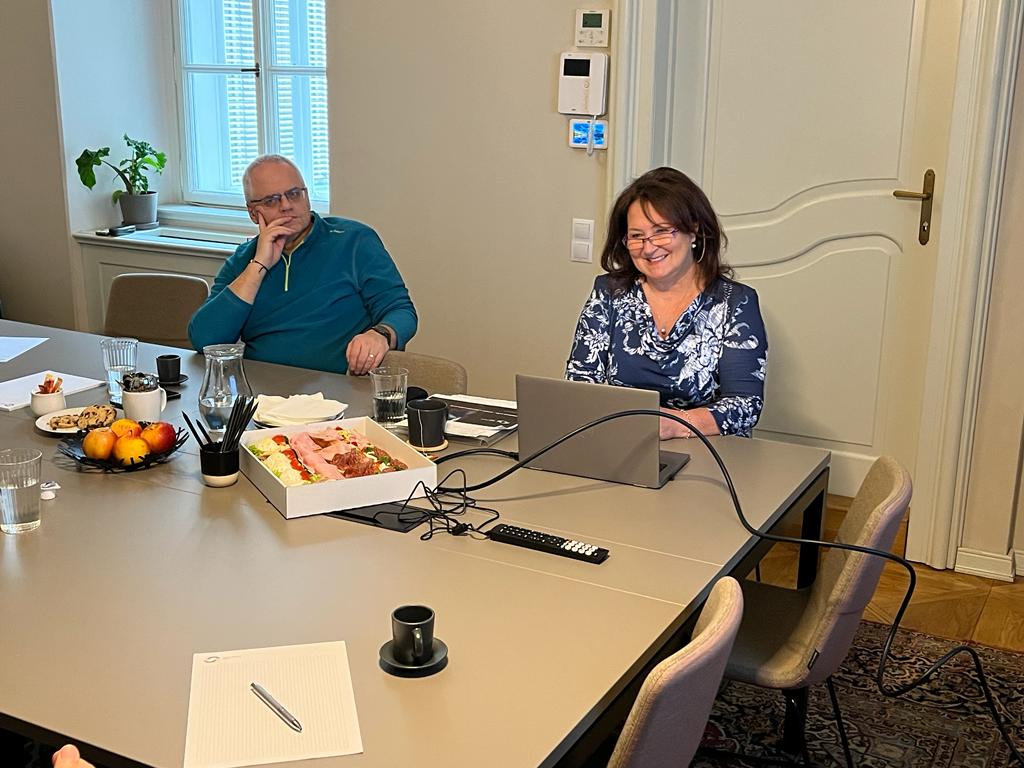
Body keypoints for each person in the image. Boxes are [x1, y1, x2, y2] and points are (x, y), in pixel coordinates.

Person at [566, 166, 767, 438]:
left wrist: (676, 424)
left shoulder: (735, 302)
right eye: (636, 236)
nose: (649, 247)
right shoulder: (609, 293)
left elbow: (745, 405)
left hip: (709, 448)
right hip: (622, 442)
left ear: (693, 230)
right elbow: (579, 385)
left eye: (661, 231)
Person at [188, 155, 417, 375]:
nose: (287, 205)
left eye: (294, 194)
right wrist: (259, 265)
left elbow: (401, 310)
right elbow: (205, 341)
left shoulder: (354, 240)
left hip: (340, 388)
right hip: (263, 390)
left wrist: (380, 334)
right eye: (272, 200)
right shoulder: (243, 260)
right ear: (253, 213)